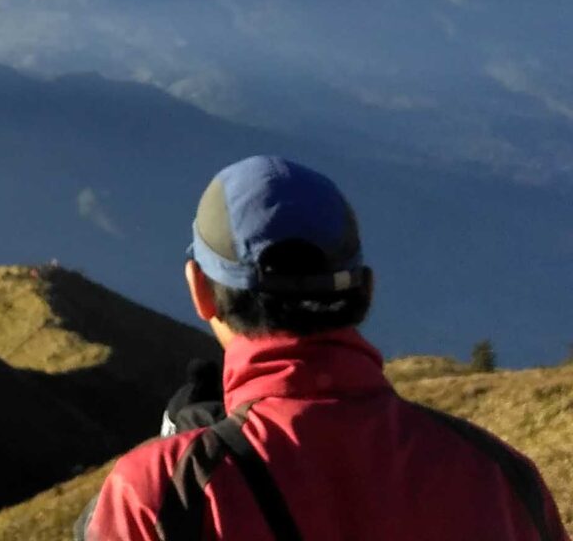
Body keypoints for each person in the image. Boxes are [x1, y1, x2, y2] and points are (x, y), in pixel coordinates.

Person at [76, 155, 568, 541]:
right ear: (366, 291)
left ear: (200, 290)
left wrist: (181, 460)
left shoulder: (162, 494)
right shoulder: (503, 479)